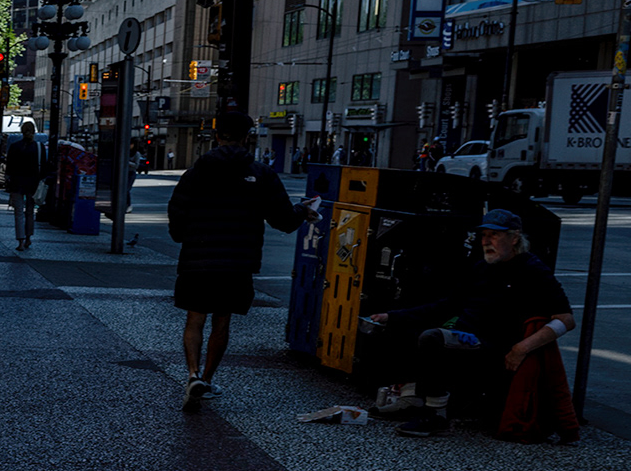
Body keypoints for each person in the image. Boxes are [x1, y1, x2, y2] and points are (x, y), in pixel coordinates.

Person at [366, 208, 577, 437]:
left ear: (514, 238)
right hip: (467, 333)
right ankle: (412, 399)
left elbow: (565, 320)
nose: (486, 241)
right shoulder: (483, 267)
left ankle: (436, 415)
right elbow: (449, 305)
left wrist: (521, 348)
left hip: (493, 343)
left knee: (432, 339)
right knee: (403, 327)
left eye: (494, 235)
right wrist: (393, 316)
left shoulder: (533, 270)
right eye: (484, 235)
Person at [166, 111, 314, 413]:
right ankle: (206, 380)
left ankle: (192, 374)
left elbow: (177, 212)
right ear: (247, 137)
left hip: (198, 258)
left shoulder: (195, 172)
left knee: (195, 319)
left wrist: (182, 236)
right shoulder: (261, 174)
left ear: (217, 136)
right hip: (237, 262)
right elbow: (283, 219)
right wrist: (303, 211)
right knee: (222, 321)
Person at [4, 120, 44, 251]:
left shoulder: (15, 147)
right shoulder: (39, 147)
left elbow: (8, 168)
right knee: (30, 212)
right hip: (33, 184)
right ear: (34, 131)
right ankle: (28, 238)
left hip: (17, 184)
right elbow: (43, 167)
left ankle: (20, 240)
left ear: (22, 131)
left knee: (18, 213)